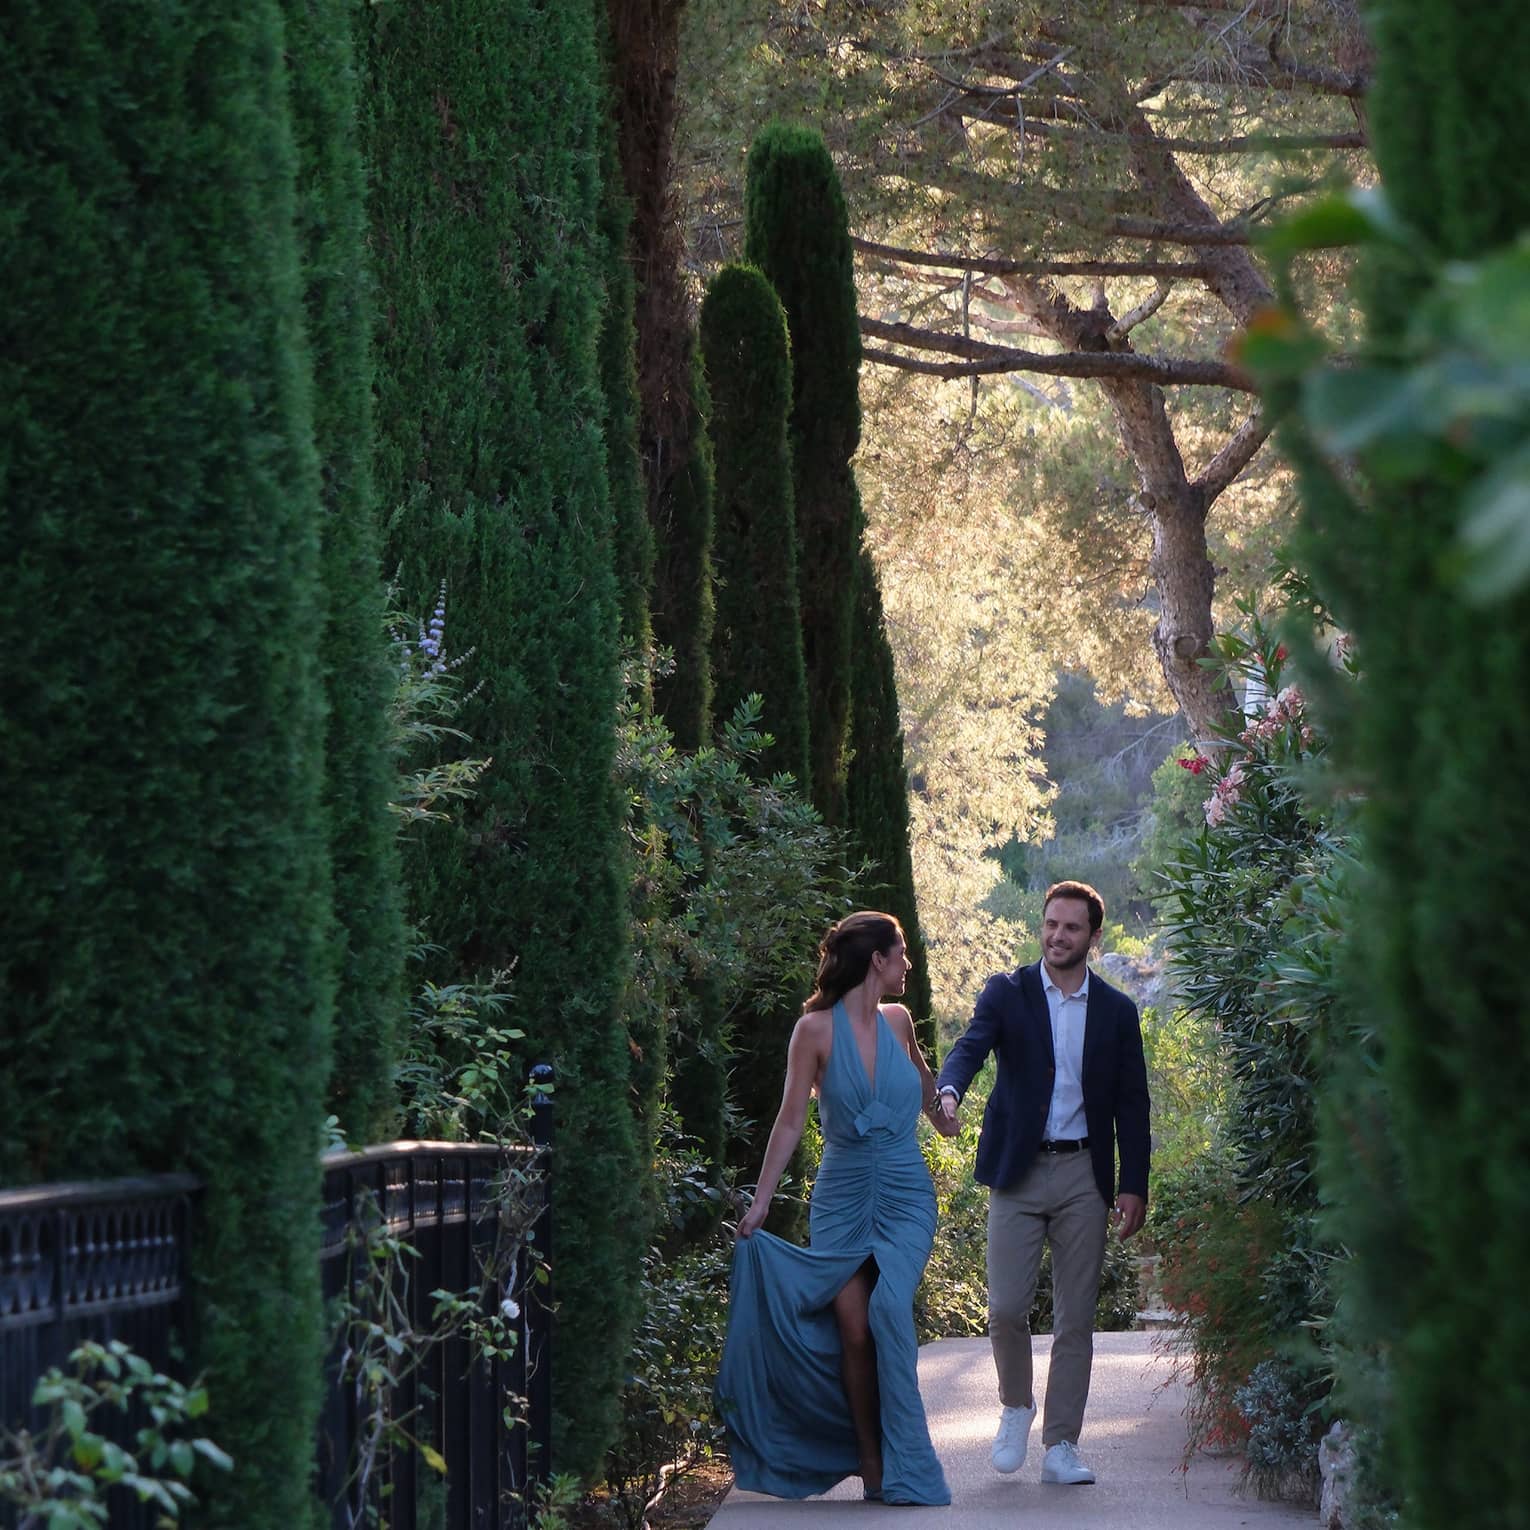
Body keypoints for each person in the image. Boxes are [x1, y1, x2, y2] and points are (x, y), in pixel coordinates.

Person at [716, 912, 954, 1505]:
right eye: (900, 951)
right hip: (843, 1196)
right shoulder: (814, 1031)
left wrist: (944, 1116)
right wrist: (762, 1200)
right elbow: (791, 1118)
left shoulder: (899, 1021)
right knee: (851, 1328)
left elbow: (923, 1082)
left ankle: (910, 1462)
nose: (908, 962)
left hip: (904, 1193)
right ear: (876, 959)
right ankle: (871, 1460)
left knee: (890, 1309)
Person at [935, 880, 1149, 1487]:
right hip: (1019, 1170)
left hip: (1085, 1172)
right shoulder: (1008, 993)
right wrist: (950, 1090)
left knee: (1075, 1318)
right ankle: (1016, 1404)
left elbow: (1134, 1106)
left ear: (1093, 938)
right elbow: (971, 1047)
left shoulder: (1116, 1011)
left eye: (1071, 928)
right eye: (1051, 924)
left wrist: (1134, 1184)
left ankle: (1062, 1443)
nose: (1058, 936)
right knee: (1005, 1308)